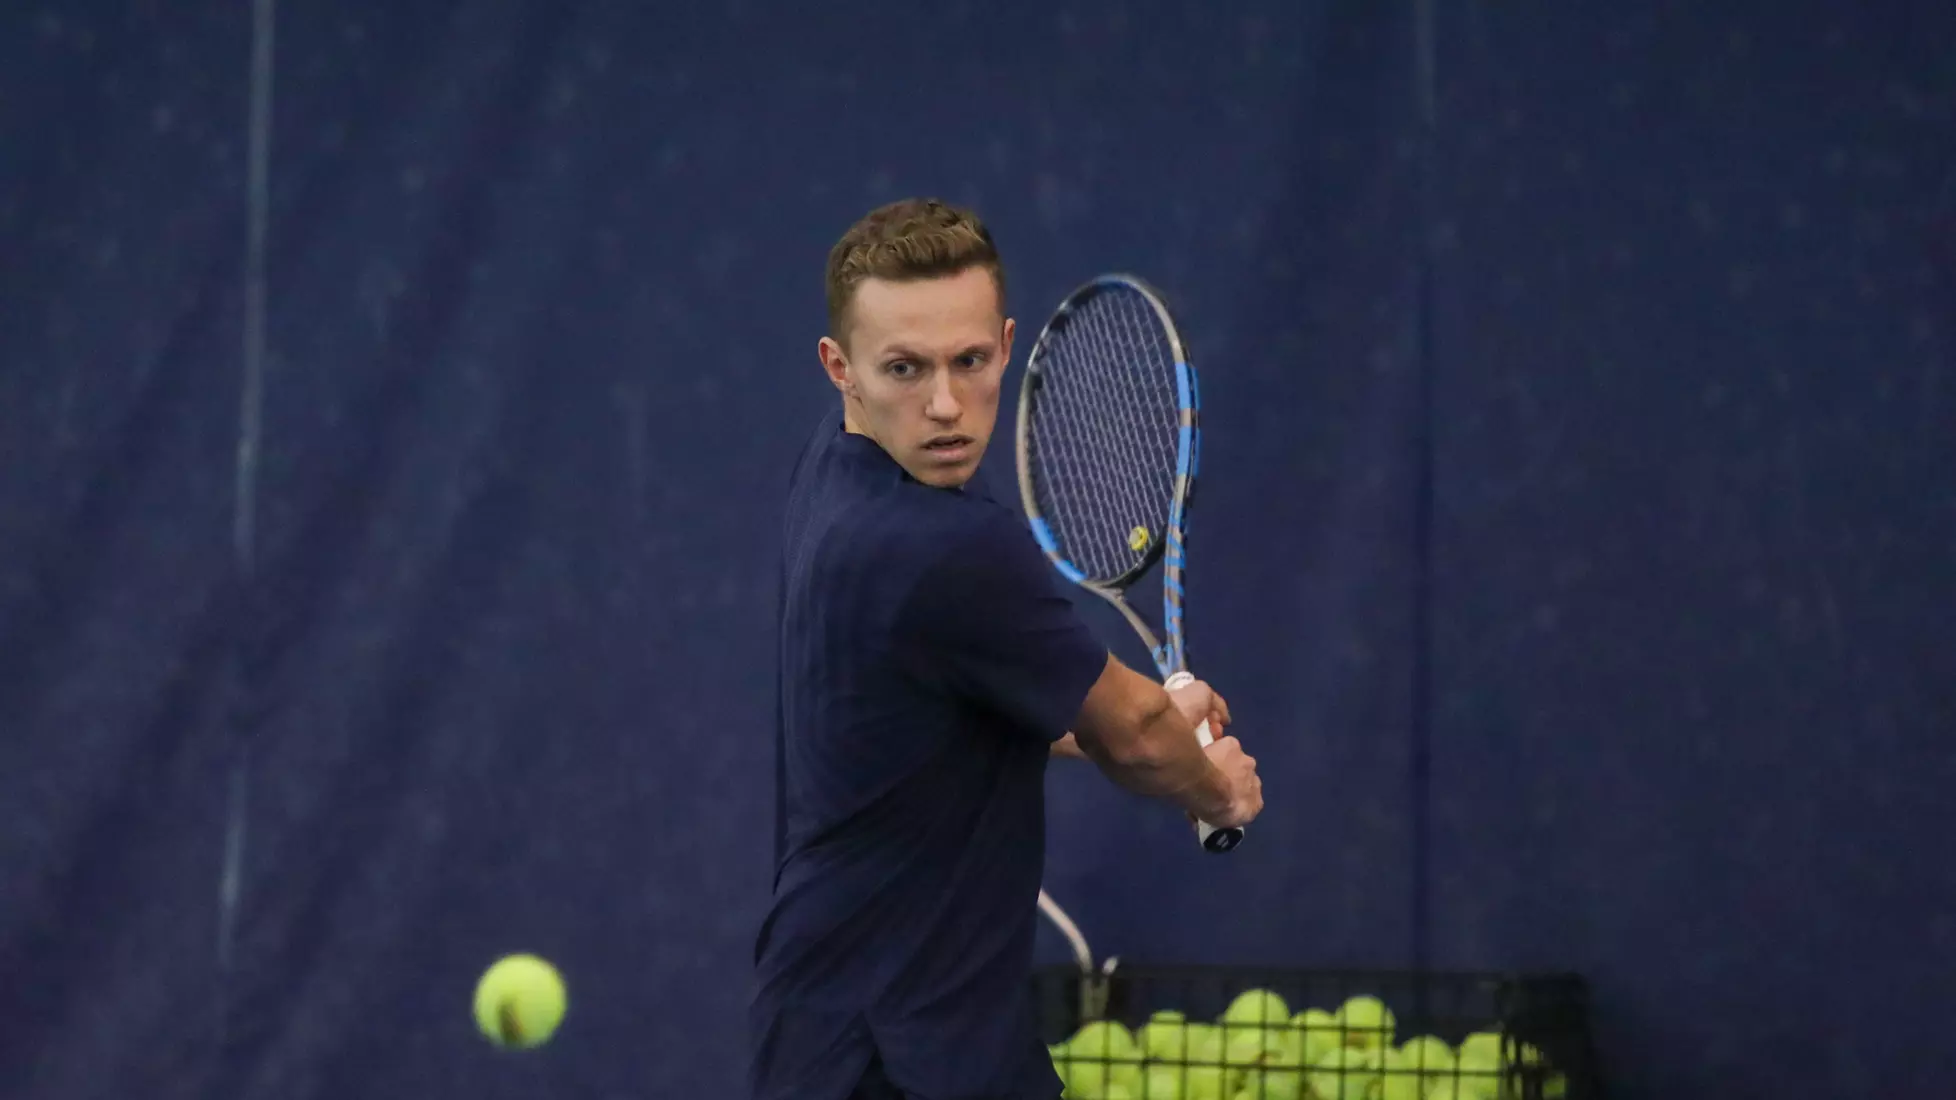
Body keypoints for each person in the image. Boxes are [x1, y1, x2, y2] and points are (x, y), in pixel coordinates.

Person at [748, 198, 1263, 1100]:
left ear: (1007, 343)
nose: (946, 405)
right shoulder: (940, 546)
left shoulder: (839, 465)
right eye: (905, 368)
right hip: (904, 1052)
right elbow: (1136, 734)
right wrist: (1214, 785)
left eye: (971, 361)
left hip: (850, 1025)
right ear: (842, 368)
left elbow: (970, 703)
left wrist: (1136, 727)